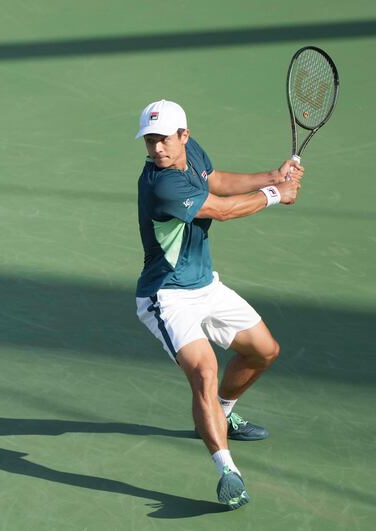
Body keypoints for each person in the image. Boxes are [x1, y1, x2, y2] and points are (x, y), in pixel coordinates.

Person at [133, 99, 303, 510]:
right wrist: (274, 195)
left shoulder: (190, 153)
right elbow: (222, 211)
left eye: (163, 139)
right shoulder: (161, 185)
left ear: (183, 136)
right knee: (205, 370)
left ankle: (223, 413)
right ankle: (227, 469)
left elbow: (217, 182)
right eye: (149, 141)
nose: (157, 149)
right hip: (167, 296)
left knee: (264, 351)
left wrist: (272, 175)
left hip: (206, 285)